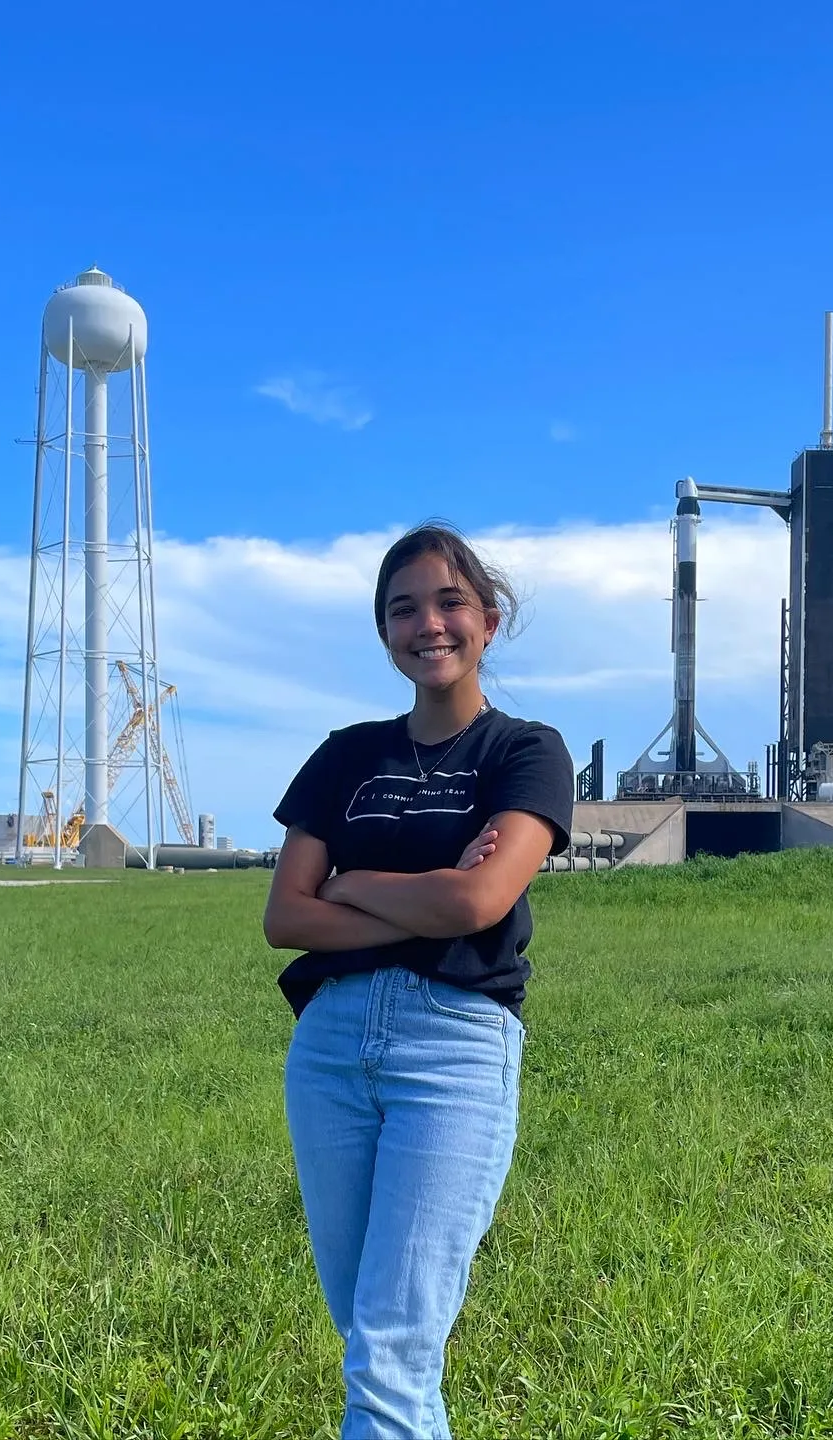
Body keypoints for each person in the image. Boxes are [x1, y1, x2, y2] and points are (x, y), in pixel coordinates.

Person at [262, 522, 575, 1438]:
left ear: (488, 617)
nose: (427, 624)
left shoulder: (523, 752)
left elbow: (479, 900)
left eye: (448, 603)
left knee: (390, 1352)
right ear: (384, 632)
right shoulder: (346, 756)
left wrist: (352, 883)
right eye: (404, 609)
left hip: (455, 1045)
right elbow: (285, 916)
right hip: (329, 1050)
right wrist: (421, 893)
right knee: (373, 1341)